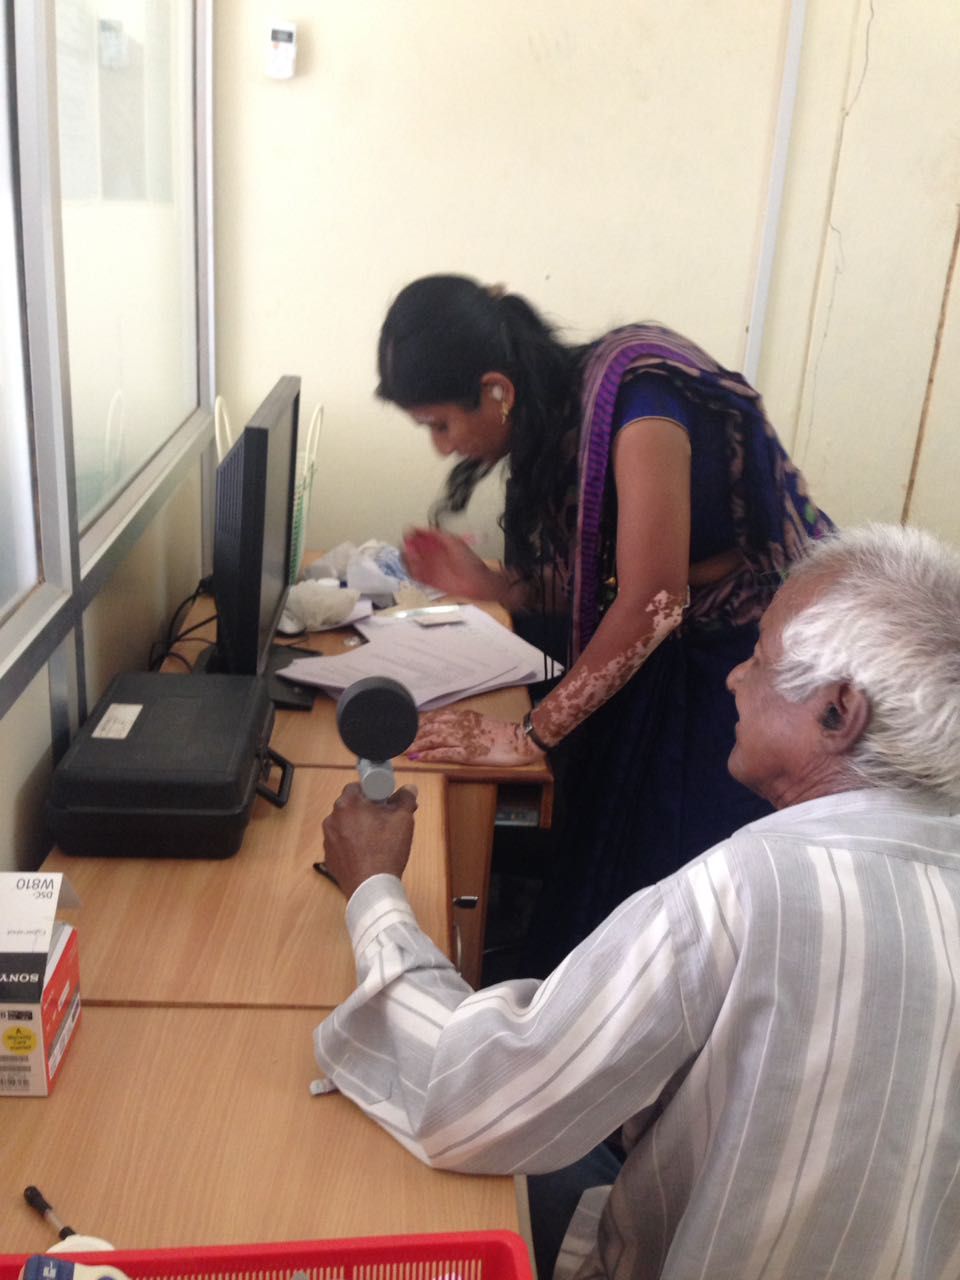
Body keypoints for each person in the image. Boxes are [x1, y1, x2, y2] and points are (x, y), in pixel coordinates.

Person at [313, 524, 960, 1280]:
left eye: (760, 658)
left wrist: (376, 894)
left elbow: (472, 1099)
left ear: (837, 713)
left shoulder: (749, 887)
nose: (734, 679)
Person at [376, 275, 833, 968]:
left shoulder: (641, 408)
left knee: (680, 907)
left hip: (746, 666)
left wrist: (528, 735)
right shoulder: (565, 419)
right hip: (675, 654)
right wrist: (493, 586)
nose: (442, 447)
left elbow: (654, 598)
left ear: (497, 391)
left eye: (441, 423)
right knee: (609, 890)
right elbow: (603, 581)